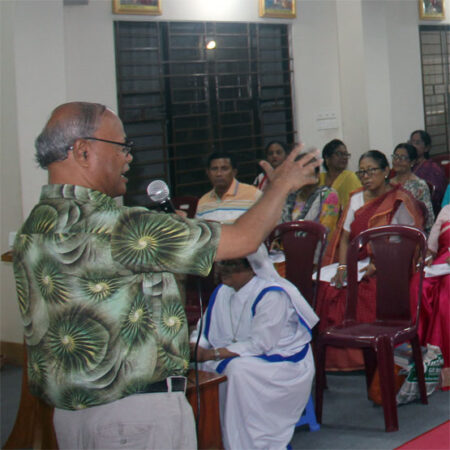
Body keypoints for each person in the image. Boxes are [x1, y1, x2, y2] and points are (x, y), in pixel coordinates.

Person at [12, 102, 321, 449]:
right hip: (134, 418)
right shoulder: (122, 227)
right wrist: (280, 187)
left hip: (70, 416)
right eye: (122, 146)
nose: (129, 157)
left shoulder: (32, 228)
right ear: (83, 151)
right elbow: (244, 240)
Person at [190, 245, 318, 449]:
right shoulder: (222, 291)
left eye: (231, 265)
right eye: (222, 264)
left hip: (281, 362)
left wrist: (212, 354)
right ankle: (215, 438)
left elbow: (261, 344)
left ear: (252, 268)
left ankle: (248, 442)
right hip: (236, 355)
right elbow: (204, 330)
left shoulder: (271, 294)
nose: (222, 270)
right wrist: (195, 346)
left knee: (237, 371)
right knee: (198, 369)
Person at [316, 150, 425, 371]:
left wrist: (377, 265)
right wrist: (343, 266)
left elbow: (404, 242)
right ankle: (336, 359)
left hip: (390, 266)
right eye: (362, 172)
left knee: (366, 289)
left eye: (371, 171)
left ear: (385, 171)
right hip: (357, 261)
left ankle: (368, 356)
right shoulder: (356, 198)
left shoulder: (398, 200)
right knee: (331, 288)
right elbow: (345, 237)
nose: (365, 177)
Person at [411, 205, 450, 390]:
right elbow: (432, 247)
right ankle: (419, 350)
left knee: (446, 290)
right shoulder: (447, 211)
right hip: (442, 264)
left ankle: (443, 360)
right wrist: (426, 259)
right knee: (418, 283)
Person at [196, 151, 262, 223]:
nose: (219, 173)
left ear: (234, 172)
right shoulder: (203, 202)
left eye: (224, 169)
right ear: (208, 173)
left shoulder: (253, 194)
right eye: (214, 169)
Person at [281, 165, 340, 245]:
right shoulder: (289, 197)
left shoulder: (328, 195)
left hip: (314, 248)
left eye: (308, 174)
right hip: (282, 249)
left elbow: (326, 232)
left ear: (317, 175)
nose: (304, 178)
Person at [390, 143, 434, 235]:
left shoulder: (419, 185)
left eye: (402, 158)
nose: (397, 161)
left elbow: (428, 217)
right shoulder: (388, 185)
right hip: (389, 230)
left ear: (412, 162)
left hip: (413, 231)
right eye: (395, 157)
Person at [409, 129, 447, 216]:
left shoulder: (433, 168)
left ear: (427, 148)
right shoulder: (407, 165)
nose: (413, 146)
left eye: (417, 143)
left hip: (427, 210)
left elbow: (437, 195)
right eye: (411, 143)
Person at [318, 139, 361, 210]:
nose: (344, 157)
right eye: (339, 154)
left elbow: (358, 205)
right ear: (327, 158)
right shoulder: (319, 178)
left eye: (346, 154)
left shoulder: (350, 177)